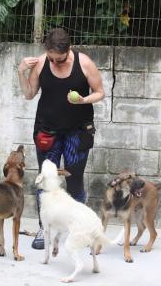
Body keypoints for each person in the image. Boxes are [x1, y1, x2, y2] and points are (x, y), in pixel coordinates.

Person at [17, 28, 105, 249]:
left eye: (61, 59)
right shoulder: (41, 63)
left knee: (74, 179)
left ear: (69, 50)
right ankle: (43, 229)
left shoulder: (84, 63)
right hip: (48, 131)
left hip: (77, 131)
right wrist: (21, 72)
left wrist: (83, 100)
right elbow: (29, 94)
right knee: (46, 180)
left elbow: (100, 92)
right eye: (52, 59)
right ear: (47, 51)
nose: (55, 63)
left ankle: (79, 228)